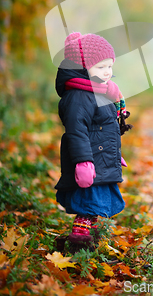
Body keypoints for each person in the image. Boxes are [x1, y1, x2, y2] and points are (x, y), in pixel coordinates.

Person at [54, 31, 132, 248]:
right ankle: (79, 238)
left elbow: (105, 127)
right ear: (82, 67)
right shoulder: (80, 96)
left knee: (98, 201)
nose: (107, 72)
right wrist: (83, 162)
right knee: (90, 200)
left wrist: (114, 151)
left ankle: (92, 236)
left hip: (100, 156)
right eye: (101, 67)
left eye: (110, 66)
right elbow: (76, 130)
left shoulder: (100, 90)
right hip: (88, 159)